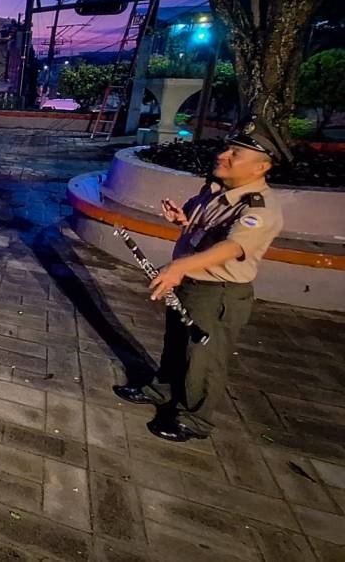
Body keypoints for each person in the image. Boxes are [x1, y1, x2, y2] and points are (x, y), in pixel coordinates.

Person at [112, 118, 288, 443]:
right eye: (227, 149)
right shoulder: (219, 190)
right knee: (176, 343)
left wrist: (179, 267)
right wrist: (183, 219)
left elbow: (233, 246)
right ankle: (162, 390)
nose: (224, 156)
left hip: (218, 292)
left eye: (236, 154)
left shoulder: (259, 209)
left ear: (260, 167)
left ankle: (195, 418)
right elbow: (203, 229)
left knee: (204, 357)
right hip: (191, 284)